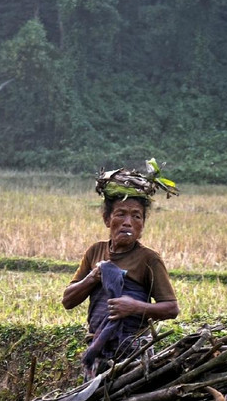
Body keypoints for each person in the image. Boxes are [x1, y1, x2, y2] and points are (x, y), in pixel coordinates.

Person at [63, 161, 180, 379]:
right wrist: (93, 277)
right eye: (121, 214)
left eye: (136, 216)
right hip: (98, 350)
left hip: (133, 354)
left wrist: (135, 307)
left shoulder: (149, 259)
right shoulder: (95, 252)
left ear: (142, 224)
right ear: (107, 219)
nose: (128, 222)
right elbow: (68, 301)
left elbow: (172, 308)